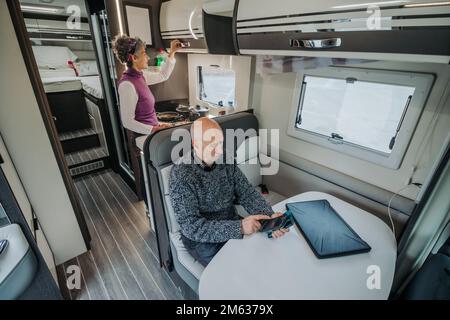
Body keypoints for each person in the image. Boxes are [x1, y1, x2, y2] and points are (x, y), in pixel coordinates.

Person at [169, 118, 289, 266]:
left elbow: (246, 192)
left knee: (265, 255)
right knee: (239, 271)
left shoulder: (225, 158)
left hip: (231, 221)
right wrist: (239, 227)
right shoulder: (181, 174)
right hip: (202, 241)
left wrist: (269, 216)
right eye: (213, 145)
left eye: (221, 143)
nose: (220, 151)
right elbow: (191, 227)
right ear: (196, 145)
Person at [113, 35, 181, 134]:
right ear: (134, 58)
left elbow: (163, 75)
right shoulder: (127, 85)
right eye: (144, 53)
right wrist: (153, 129)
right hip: (143, 137)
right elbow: (127, 122)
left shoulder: (141, 76)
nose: (148, 57)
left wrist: (172, 52)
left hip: (152, 132)